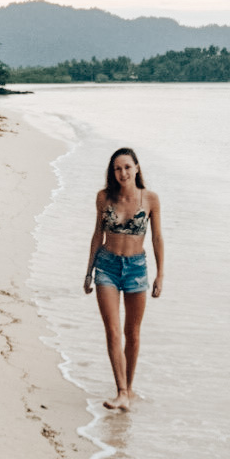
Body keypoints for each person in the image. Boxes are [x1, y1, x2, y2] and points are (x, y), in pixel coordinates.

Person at [83, 146, 163, 411]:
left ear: (137, 168)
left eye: (127, 167)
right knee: (113, 331)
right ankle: (120, 391)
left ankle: (128, 390)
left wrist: (160, 274)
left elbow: (157, 238)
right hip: (107, 266)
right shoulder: (104, 197)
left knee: (133, 333)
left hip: (137, 269)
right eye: (117, 168)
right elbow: (97, 234)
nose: (123, 172)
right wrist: (88, 271)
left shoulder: (150, 199)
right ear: (112, 172)